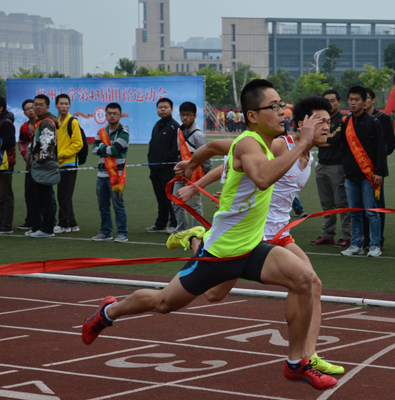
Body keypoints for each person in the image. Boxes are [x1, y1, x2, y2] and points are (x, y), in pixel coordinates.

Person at [82, 80, 337, 390]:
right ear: (252, 115)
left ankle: (297, 363)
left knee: (306, 280)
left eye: (281, 105)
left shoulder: (264, 143)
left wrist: (192, 164)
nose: (281, 111)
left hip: (254, 246)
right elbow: (262, 178)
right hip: (221, 253)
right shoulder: (250, 143)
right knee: (164, 303)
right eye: (273, 107)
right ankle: (109, 311)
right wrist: (301, 143)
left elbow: (215, 147)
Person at [172, 95, 344, 377]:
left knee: (312, 283)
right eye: (320, 121)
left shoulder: (309, 156)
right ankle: (197, 239)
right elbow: (232, 160)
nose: (327, 126)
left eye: (329, 121)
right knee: (214, 295)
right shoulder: (280, 145)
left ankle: (308, 356)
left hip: (280, 232)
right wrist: (194, 186)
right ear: (302, 124)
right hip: (253, 233)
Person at [339, 86, 387, 258]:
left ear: (364, 101)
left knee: (371, 212)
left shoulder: (373, 122)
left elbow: (380, 149)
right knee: (355, 212)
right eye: (351, 99)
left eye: (357, 100)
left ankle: (374, 245)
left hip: (369, 176)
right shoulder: (346, 121)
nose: (353, 103)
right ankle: (356, 245)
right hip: (350, 176)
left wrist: (379, 171)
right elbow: (343, 147)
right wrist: (345, 168)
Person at [311, 89, 351, 247]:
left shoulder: (344, 120)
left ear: (339, 102)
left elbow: (333, 138)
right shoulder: (320, 119)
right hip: (321, 164)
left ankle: (346, 235)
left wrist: (321, 140)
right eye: (326, 101)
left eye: (333, 100)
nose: (330, 104)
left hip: (338, 166)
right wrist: (322, 141)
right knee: (326, 204)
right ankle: (327, 235)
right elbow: (315, 138)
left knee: (342, 203)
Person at [91, 103, 129, 243]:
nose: (112, 116)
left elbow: (115, 150)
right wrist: (106, 148)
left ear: (120, 115)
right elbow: (93, 150)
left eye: (115, 113)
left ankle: (122, 233)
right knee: (103, 206)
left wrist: (102, 146)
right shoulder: (101, 131)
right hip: (101, 175)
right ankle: (105, 232)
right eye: (109, 113)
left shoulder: (124, 132)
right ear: (105, 115)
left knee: (118, 205)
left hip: (116, 176)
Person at [363, 87, 395, 250]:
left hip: (375, 170)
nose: (363, 101)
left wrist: (377, 157)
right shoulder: (353, 119)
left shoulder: (382, 118)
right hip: (358, 170)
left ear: (373, 100)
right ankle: (365, 238)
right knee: (360, 207)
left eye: (366, 98)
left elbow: (391, 143)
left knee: (376, 205)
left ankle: (378, 240)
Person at [171, 102, 212, 233]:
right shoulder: (179, 131)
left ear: (194, 116)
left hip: (196, 175)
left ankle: (197, 232)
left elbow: (206, 159)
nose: (185, 118)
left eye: (188, 115)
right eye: (182, 115)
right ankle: (181, 231)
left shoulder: (198, 135)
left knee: (195, 205)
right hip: (182, 174)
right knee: (176, 201)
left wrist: (203, 176)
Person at [26, 94, 59, 238]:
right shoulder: (41, 121)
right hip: (36, 166)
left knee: (44, 198)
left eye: (41, 105)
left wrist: (40, 158)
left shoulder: (47, 122)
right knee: (34, 196)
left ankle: (47, 229)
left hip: (43, 167)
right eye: (35, 104)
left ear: (47, 107)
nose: (37, 107)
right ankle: (37, 227)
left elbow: (48, 144)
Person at [146, 98, 179, 234]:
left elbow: (176, 148)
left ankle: (174, 224)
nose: (163, 109)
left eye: (166, 107)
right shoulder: (157, 125)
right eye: (160, 107)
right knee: (160, 198)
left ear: (171, 109)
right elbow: (152, 144)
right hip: (155, 169)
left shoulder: (175, 126)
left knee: (170, 198)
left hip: (168, 169)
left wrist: (165, 160)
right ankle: (160, 224)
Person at [53, 94, 83, 234]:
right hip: (59, 164)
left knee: (63, 196)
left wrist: (61, 155)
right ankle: (73, 224)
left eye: (66, 104)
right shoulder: (57, 122)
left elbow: (78, 144)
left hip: (69, 164)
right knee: (65, 196)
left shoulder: (73, 122)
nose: (64, 106)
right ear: (56, 106)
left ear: (70, 106)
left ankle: (64, 224)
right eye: (61, 103)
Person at [16, 99, 37, 230]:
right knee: (29, 194)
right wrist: (24, 154)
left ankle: (48, 222)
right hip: (29, 166)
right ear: (24, 113)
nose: (30, 110)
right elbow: (21, 142)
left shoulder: (43, 124)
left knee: (45, 194)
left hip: (43, 166)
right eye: (27, 109)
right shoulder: (24, 127)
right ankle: (30, 220)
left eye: (32, 107)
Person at [0, 96, 16, 234]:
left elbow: (10, 142)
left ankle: (7, 225)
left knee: (6, 195)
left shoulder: (6, 122)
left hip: (4, 163)